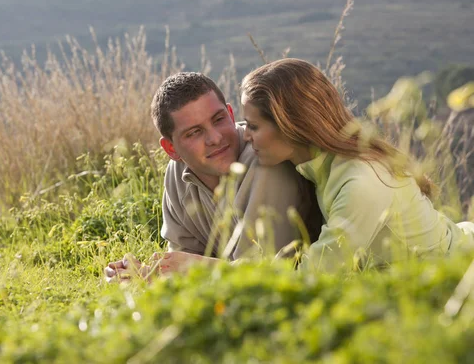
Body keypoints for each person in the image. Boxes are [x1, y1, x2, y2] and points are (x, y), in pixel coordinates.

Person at [240, 58, 474, 271]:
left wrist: (221, 268)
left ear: (290, 125)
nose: (245, 136)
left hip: (458, 275)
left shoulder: (360, 183)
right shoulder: (325, 163)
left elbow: (312, 276)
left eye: (253, 126)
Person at [104, 72, 321, 282]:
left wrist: (194, 268)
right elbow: (184, 264)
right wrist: (144, 275)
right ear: (171, 148)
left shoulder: (267, 160)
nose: (215, 138)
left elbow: (265, 275)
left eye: (218, 120)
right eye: (194, 132)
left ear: (231, 114)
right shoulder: (176, 172)